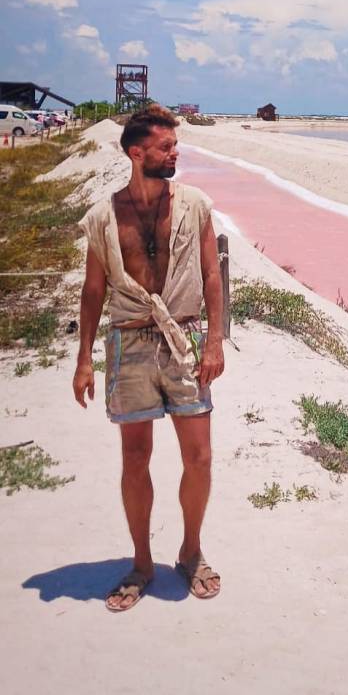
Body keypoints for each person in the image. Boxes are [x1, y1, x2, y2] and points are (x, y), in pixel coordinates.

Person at [73, 104, 225, 611]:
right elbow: (93, 291)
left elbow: (211, 276)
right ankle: (141, 562)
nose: (175, 152)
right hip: (129, 343)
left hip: (183, 339)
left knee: (199, 456)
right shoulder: (103, 217)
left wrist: (215, 341)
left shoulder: (196, 204)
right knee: (135, 458)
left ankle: (190, 550)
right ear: (137, 154)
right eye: (166, 147)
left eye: (175, 145)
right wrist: (83, 359)